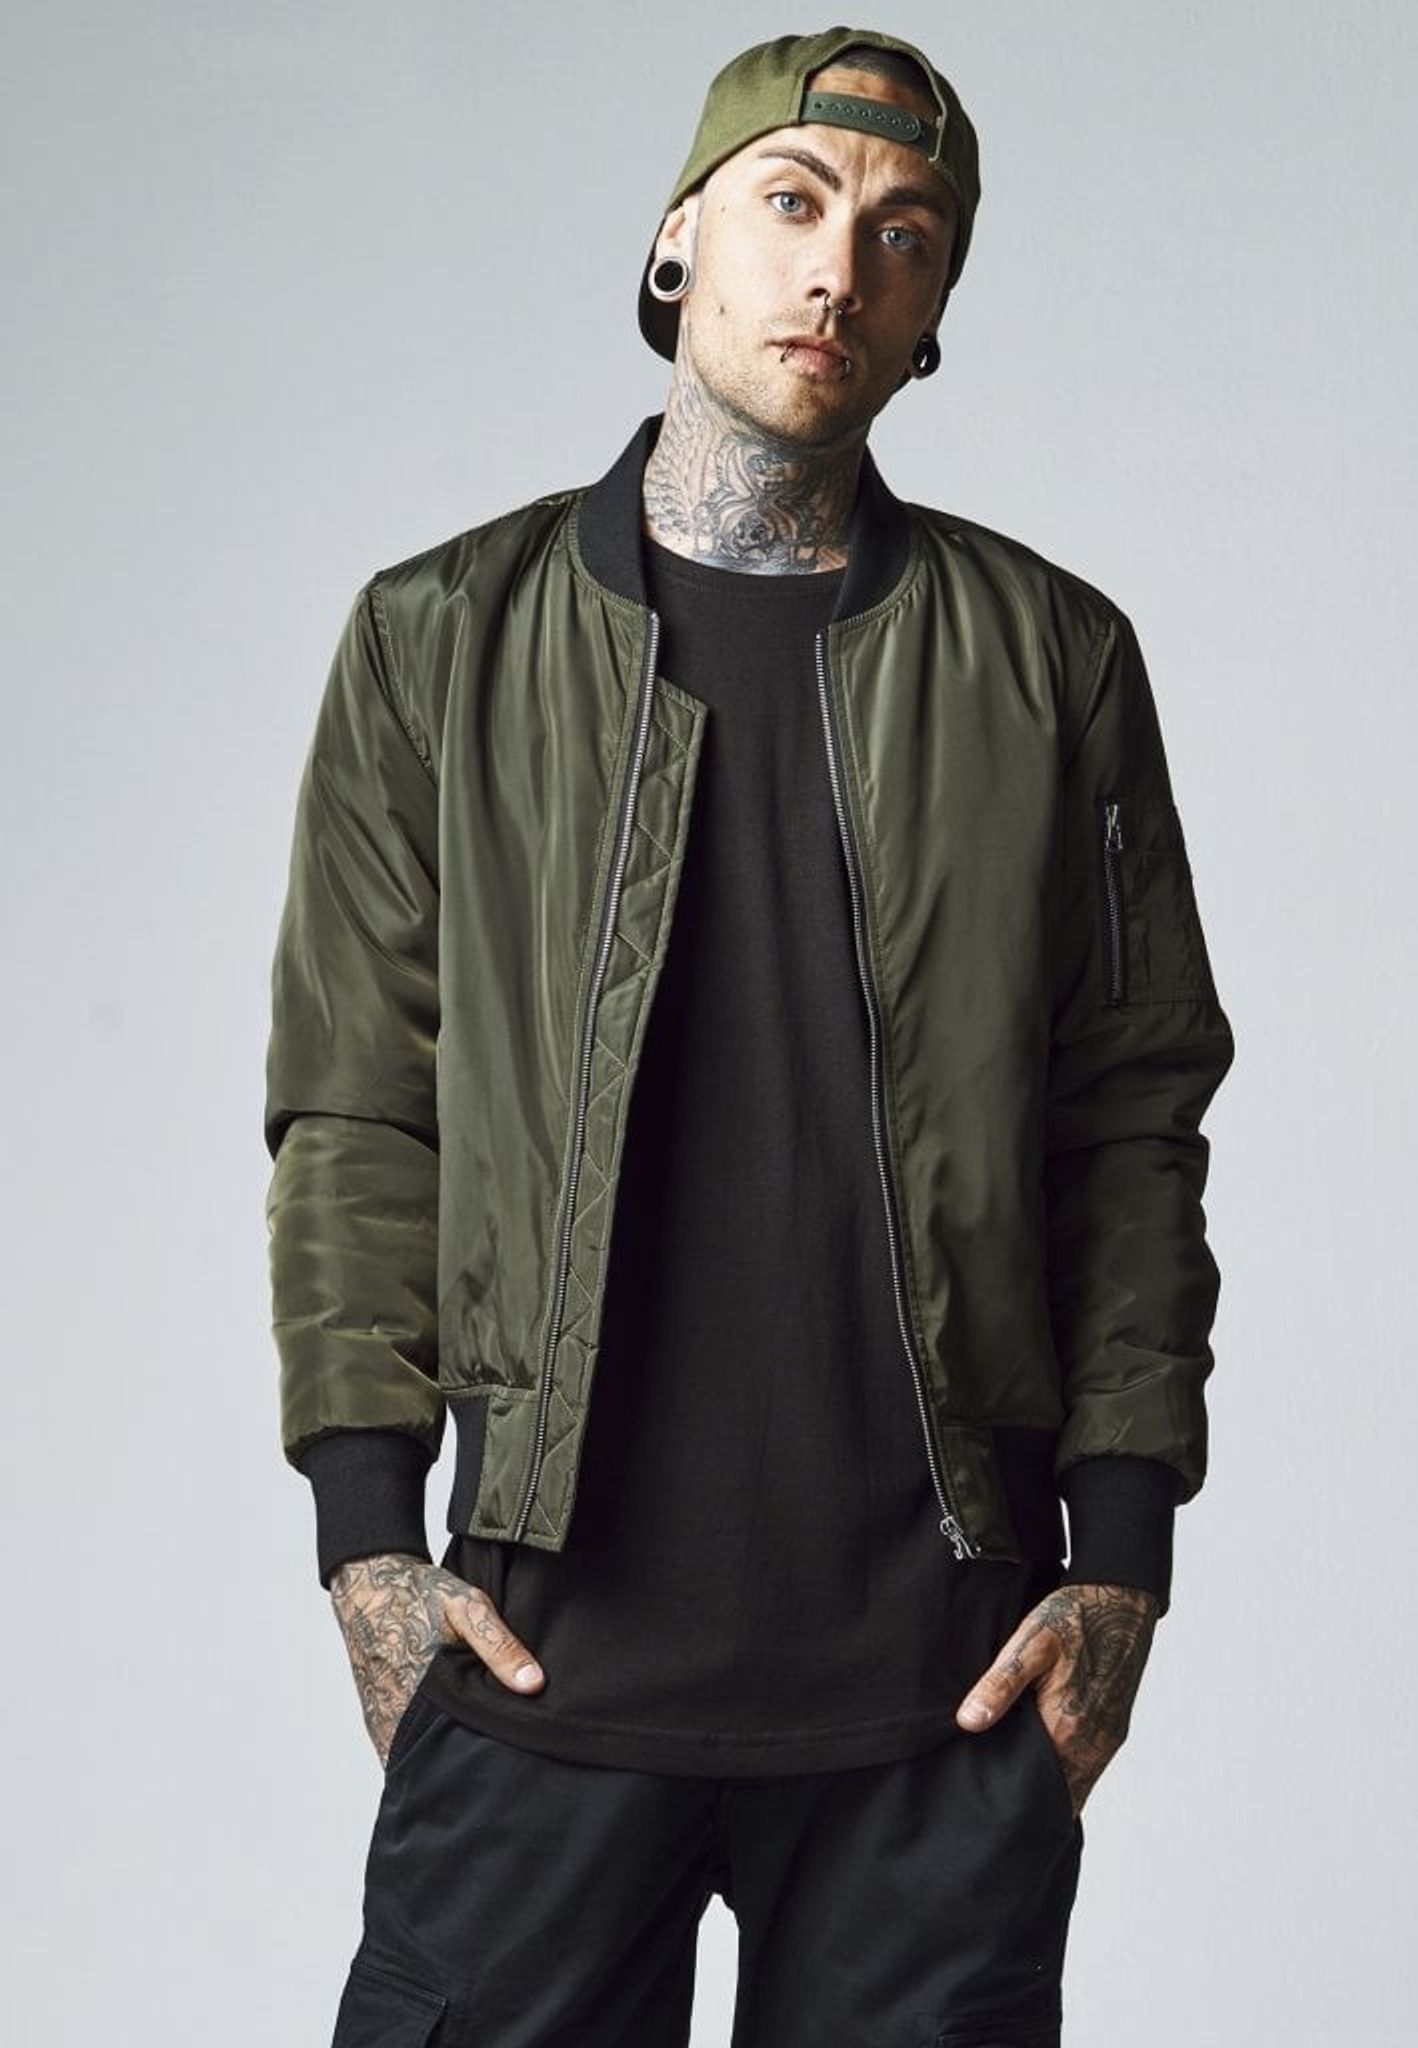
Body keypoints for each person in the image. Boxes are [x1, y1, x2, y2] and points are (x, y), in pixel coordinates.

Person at [263, 26, 1236, 2047]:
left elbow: (1131, 1118)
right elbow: (356, 1108)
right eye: (791, 203)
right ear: (676, 241)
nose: (838, 269)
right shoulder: (439, 641)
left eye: (906, 235)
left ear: (934, 312)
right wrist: (367, 1539)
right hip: (545, 1655)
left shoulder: (1051, 659)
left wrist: (1123, 1559)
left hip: (939, 1684)